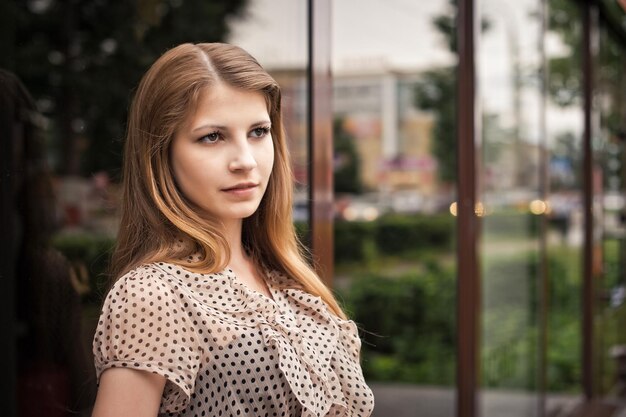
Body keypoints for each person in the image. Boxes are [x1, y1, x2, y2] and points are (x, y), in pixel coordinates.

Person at [91, 43, 374, 417]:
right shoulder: (153, 294)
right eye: (212, 137)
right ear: (161, 154)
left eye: (258, 132)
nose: (245, 161)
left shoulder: (284, 276)